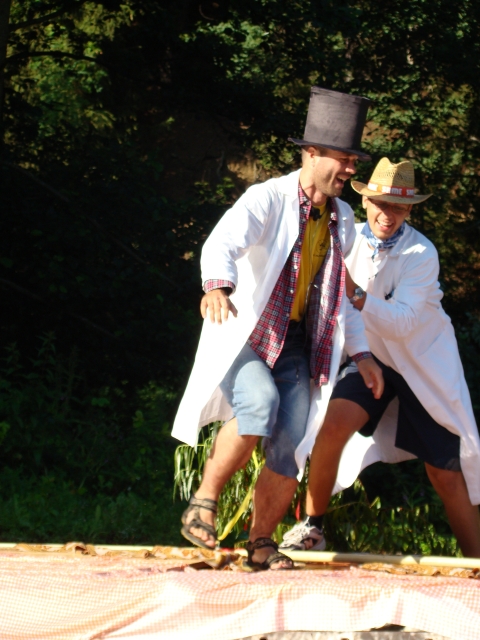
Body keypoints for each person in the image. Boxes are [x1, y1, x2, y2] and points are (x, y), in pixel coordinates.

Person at [171, 87, 384, 570]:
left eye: (354, 161)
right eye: (344, 159)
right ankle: (203, 502)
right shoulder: (267, 198)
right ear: (312, 153)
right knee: (259, 404)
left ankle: (261, 543)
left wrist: (363, 354)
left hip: (297, 345)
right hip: (247, 335)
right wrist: (217, 286)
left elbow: (342, 297)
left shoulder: (343, 219)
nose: (350, 169)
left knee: (291, 439)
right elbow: (221, 243)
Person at [280, 158, 480, 558]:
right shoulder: (346, 237)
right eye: (381, 204)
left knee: (445, 472)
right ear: (366, 202)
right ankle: (313, 527)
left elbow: (402, 323)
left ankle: (476, 563)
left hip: (423, 368)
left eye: (399, 208)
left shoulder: (421, 252)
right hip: (369, 358)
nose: (388, 215)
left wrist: (354, 292)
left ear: (410, 211)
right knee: (331, 426)